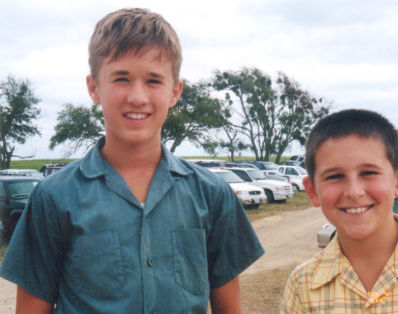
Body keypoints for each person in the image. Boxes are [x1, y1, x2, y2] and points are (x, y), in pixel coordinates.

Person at [0, 8, 264, 313]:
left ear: (175, 91)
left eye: (153, 81)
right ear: (94, 87)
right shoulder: (52, 198)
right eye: (121, 78)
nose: (137, 97)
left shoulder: (212, 194)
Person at [280, 109, 398, 313]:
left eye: (368, 173)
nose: (354, 192)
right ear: (312, 190)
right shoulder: (302, 285)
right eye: (334, 176)